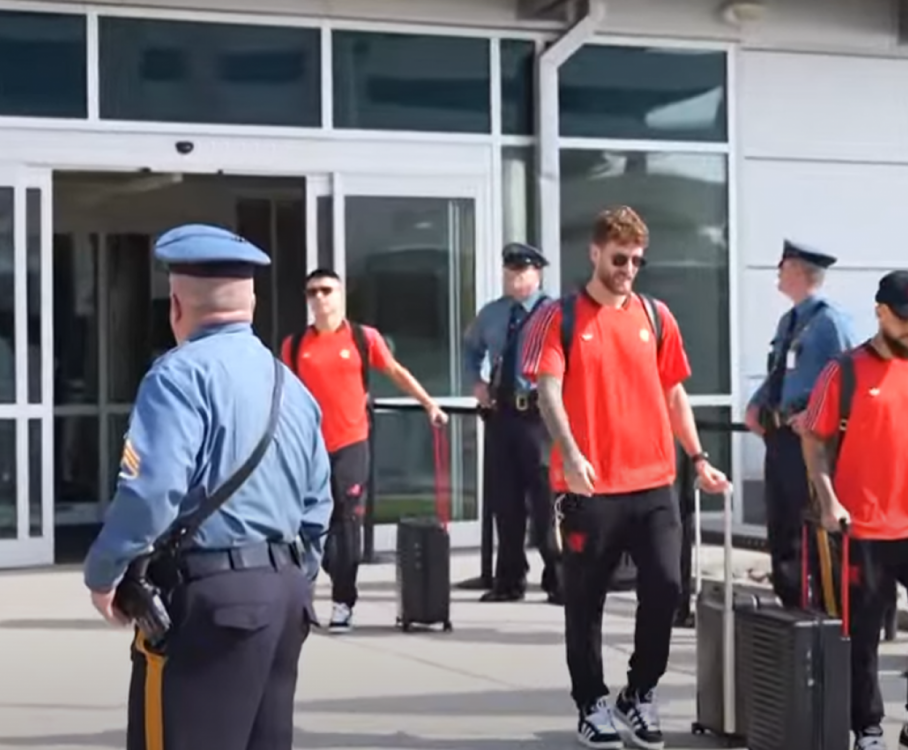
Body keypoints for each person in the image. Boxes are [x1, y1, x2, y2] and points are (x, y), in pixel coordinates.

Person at [82, 223, 333, 750]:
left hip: (211, 602)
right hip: (286, 598)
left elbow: (152, 492)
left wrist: (104, 574)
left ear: (177, 304)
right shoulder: (290, 384)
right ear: (253, 302)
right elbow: (317, 505)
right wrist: (287, 574)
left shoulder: (177, 376)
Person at [521, 205, 730, 750]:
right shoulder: (559, 318)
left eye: (637, 260)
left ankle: (639, 691)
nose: (629, 268)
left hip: (655, 481)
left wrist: (700, 457)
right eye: (620, 258)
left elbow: (674, 393)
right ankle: (591, 701)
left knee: (666, 586)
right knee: (584, 599)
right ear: (595, 253)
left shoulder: (657, 317)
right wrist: (572, 453)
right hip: (589, 488)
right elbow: (547, 392)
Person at [799, 270, 908, 750]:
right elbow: (812, 437)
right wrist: (828, 499)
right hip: (864, 528)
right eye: (905, 318)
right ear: (881, 313)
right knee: (862, 639)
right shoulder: (844, 372)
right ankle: (866, 729)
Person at [282, 268, 448, 633]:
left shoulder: (361, 338)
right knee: (310, 527)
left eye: (326, 290)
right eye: (312, 292)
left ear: (340, 295)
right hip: (308, 450)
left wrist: (429, 404)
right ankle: (314, 588)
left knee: (347, 524)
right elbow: (282, 395)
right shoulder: (295, 346)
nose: (320, 298)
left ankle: (343, 602)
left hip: (350, 445)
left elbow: (396, 371)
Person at [744, 241, 854, 610]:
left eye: (784, 265)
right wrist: (757, 403)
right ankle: (792, 604)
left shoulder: (829, 321)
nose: (778, 270)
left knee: (815, 529)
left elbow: (849, 376)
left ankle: (829, 609)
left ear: (800, 271)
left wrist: (819, 414)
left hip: (810, 438)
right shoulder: (788, 321)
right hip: (780, 436)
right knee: (782, 525)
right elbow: (779, 372)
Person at [463, 241, 560, 604]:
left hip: (542, 416)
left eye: (521, 272)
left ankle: (558, 576)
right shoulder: (493, 313)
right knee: (505, 500)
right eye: (509, 272)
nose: (513, 278)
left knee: (546, 499)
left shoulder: (555, 313)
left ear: (537, 274)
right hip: (502, 414)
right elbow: (470, 348)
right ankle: (509, 579)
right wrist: (476, 381)